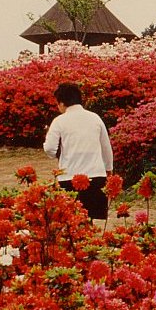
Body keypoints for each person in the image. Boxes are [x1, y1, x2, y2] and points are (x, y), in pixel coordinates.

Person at [43, 82, 114, 222]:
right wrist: (109, 170)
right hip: (96, 177)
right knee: (91, 221)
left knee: (72, 223)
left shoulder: (59, 121)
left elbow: (49, 148)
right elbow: (106, 148)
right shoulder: (95, 118)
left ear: (62, 103)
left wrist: (56, 154)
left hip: (69, 178)